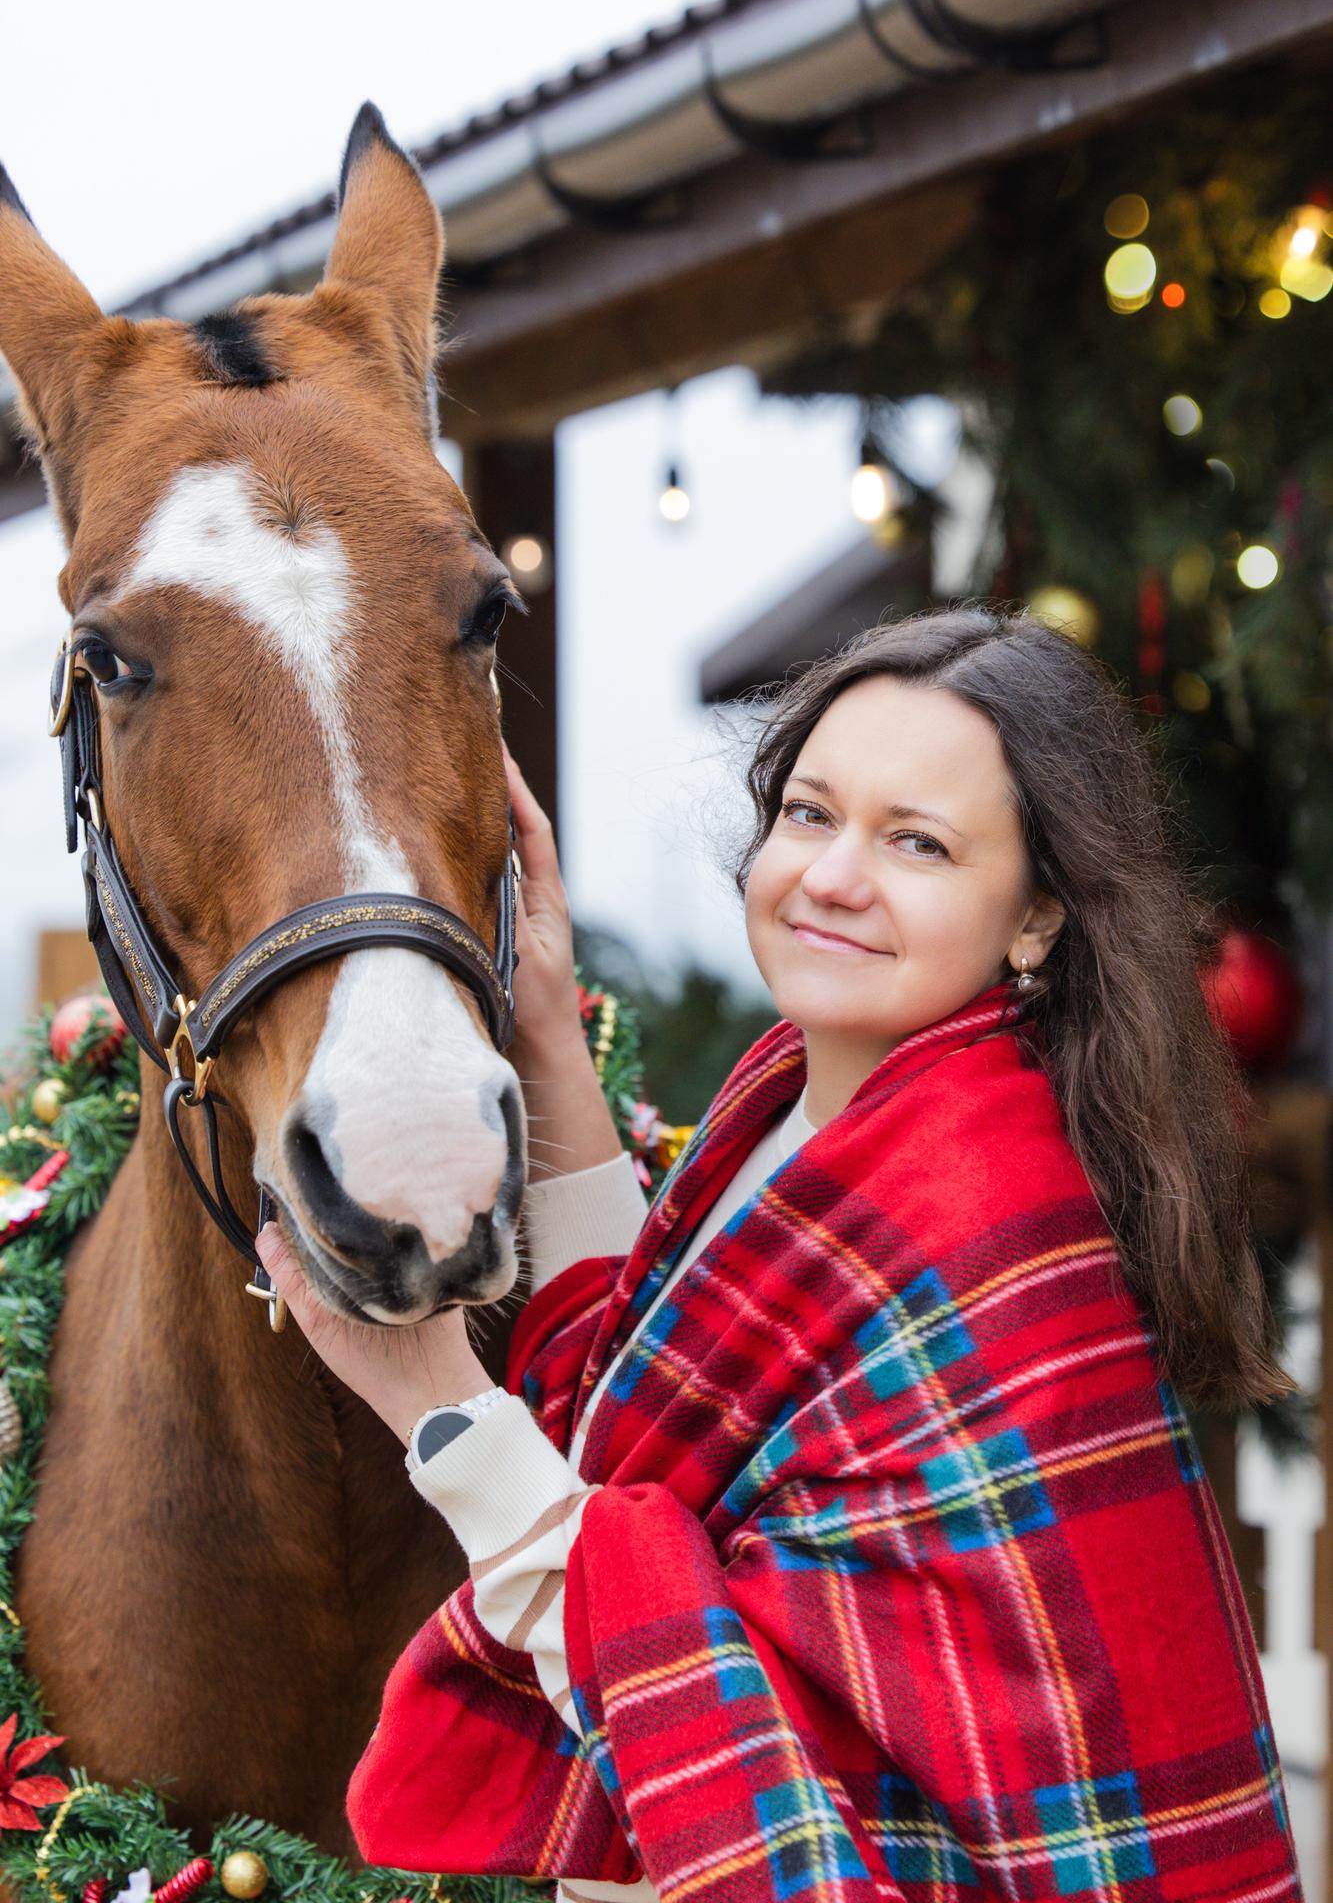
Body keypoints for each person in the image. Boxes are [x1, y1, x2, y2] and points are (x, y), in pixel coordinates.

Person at [256, 604, 1305, 1902]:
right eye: (810, 814)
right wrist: (549, 1033)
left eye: (916, 842)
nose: (833, 876)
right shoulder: (801, 1105)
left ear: (1037, 916)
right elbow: (663, 1437)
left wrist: (436, 1400)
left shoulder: (977, 1200)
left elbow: (715, 1698)